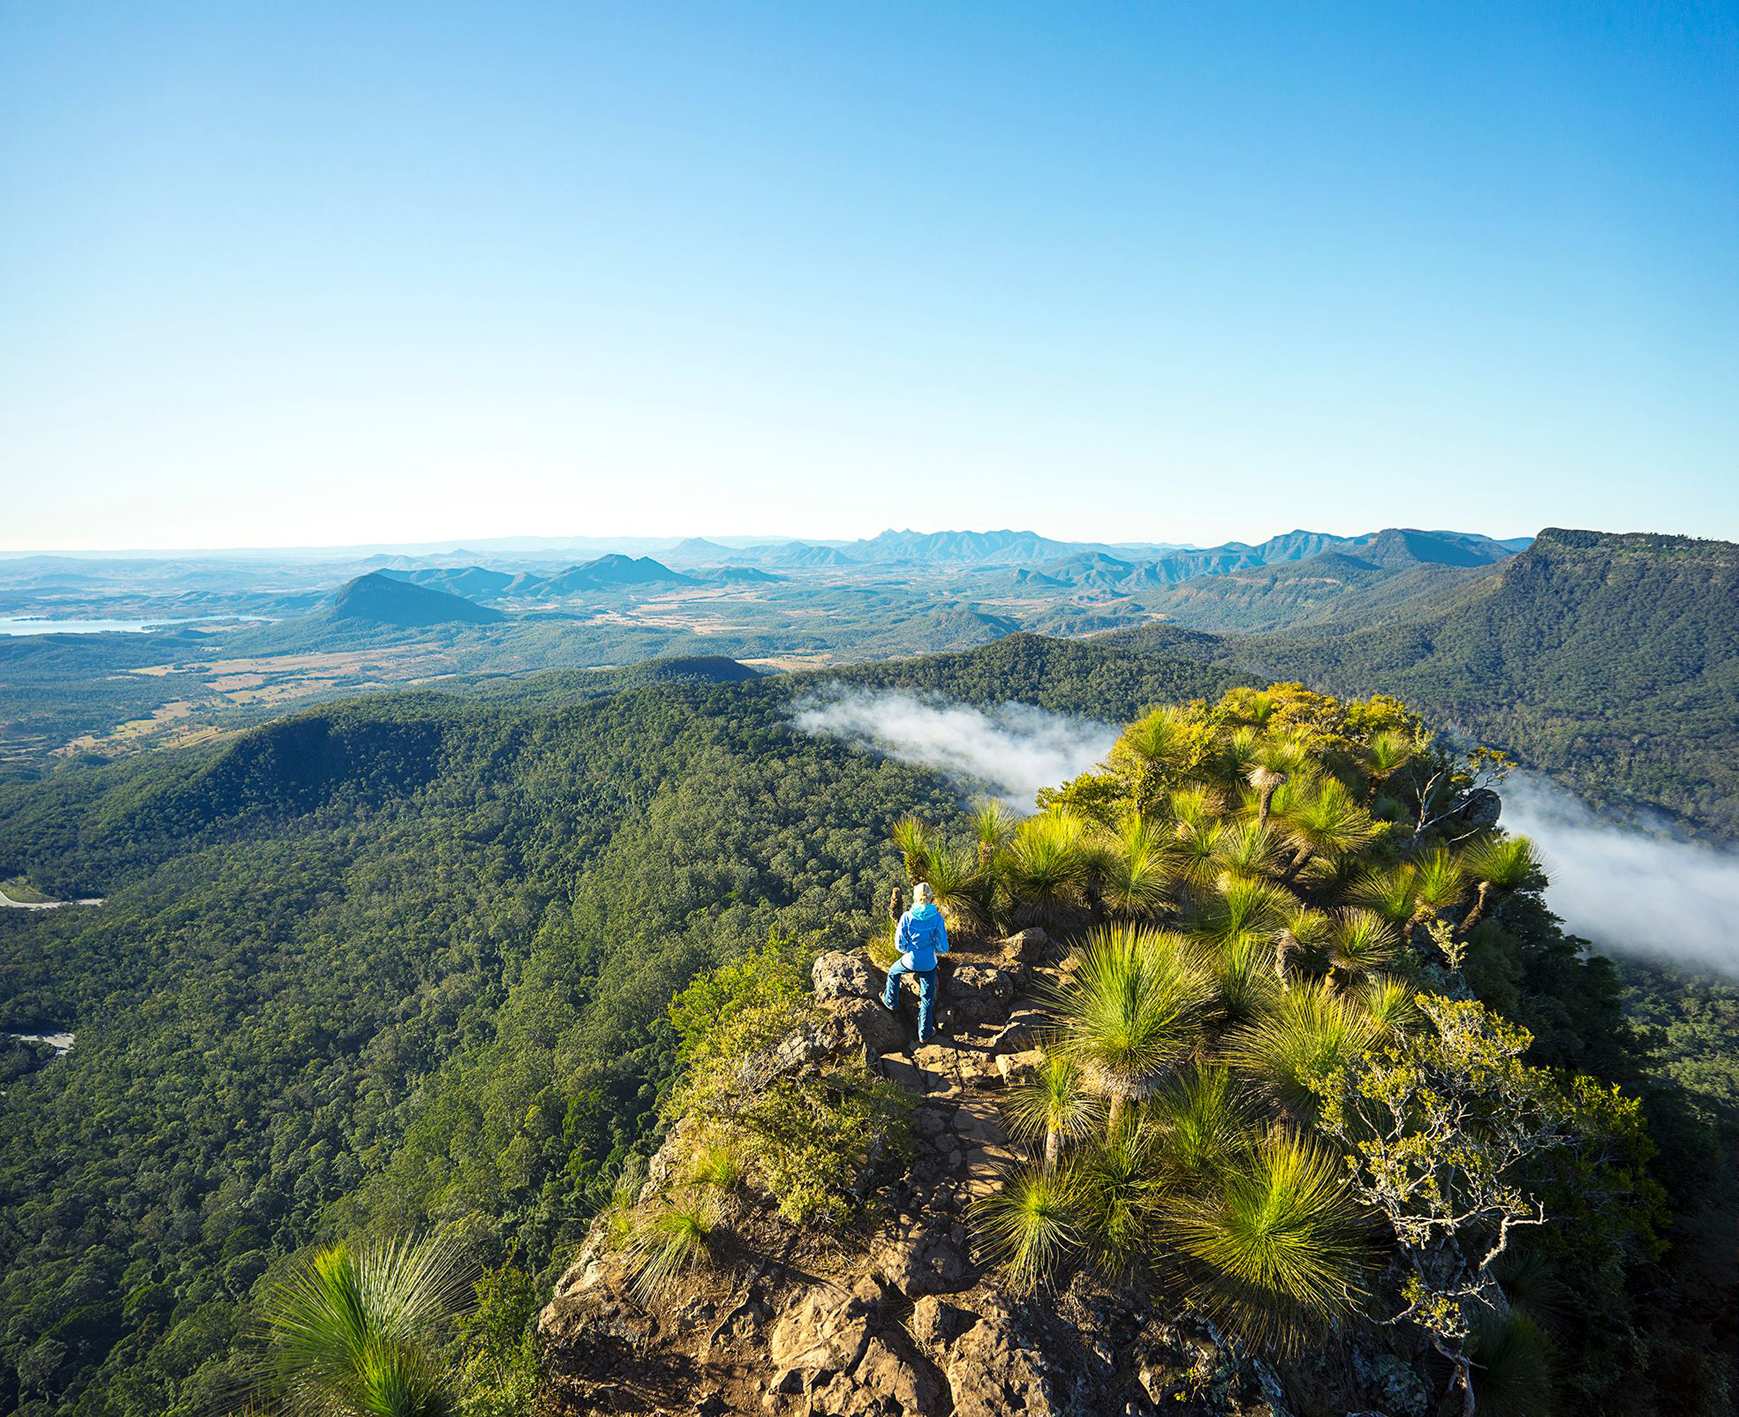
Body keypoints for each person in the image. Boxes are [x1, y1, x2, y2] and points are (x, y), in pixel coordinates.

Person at [881, 882, 950, 1043]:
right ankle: (924, 1034)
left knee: (893, 972)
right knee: (927, 998)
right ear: (931, 897)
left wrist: (909, 950)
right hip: (929, 962)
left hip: (910, 960)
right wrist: (933, 950)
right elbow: (942, 945)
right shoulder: (937, 918)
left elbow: (899, 944)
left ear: (915, 897)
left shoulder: (907, 916)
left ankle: (891, 1001)